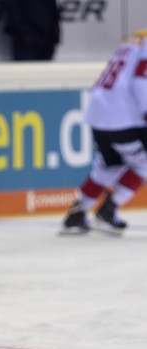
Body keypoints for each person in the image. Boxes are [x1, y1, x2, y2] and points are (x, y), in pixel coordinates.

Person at [62, 29, 147, 235]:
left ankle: (78, 212)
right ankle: (108, 209)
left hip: (99, 109)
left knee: (109, 164)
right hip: (123, 116)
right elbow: (141, 81)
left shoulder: (136, 38)